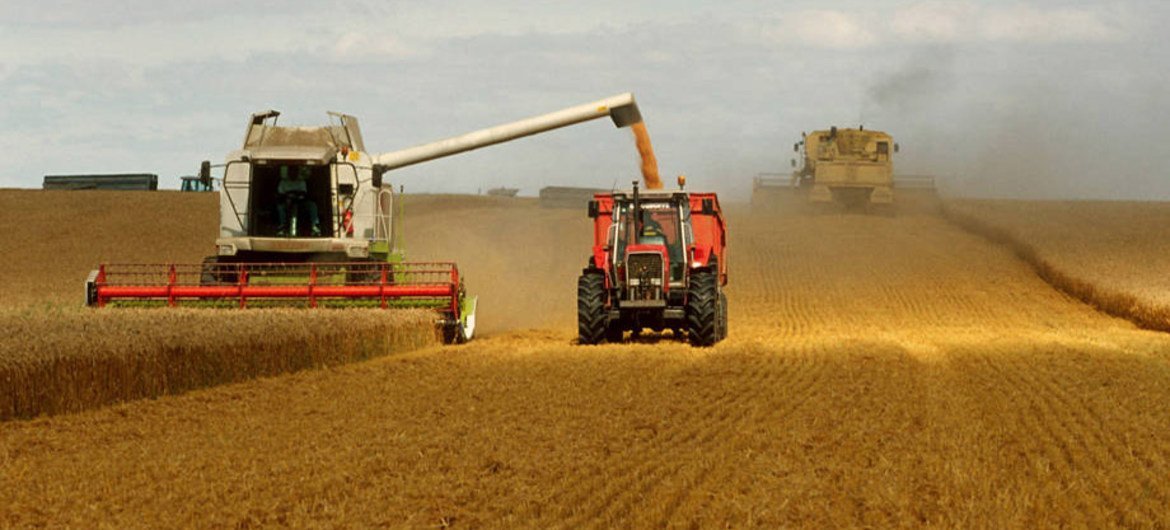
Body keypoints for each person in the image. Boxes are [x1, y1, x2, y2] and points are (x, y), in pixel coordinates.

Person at [276, 166, 321, 237]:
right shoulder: (283, 182)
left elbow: (304, 194)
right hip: (287, 204)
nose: (293, 173)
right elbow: (279, 195)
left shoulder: (301, 182)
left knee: (312, 205)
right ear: (288, 173)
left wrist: (296, 196)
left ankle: (315, 226)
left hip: (300, 204)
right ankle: (282, 227)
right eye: (291, 172)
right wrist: (288, 198)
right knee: (280, 207)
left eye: (295, 172)